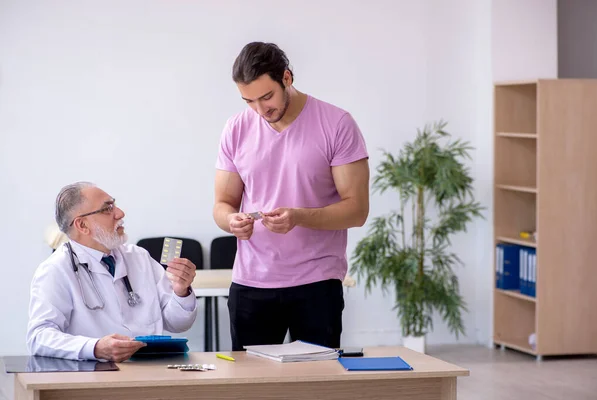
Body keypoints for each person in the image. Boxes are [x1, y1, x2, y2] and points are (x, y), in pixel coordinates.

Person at [213, 42, 370, 351]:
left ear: (287, 78)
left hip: (317, 282)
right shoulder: (236, 128)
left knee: (316, 387)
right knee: (250, 388)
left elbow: (357, 210)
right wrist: (231, 221)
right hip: (251, 282)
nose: (260, 110)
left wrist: (299, 217)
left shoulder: (336, 124)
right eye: (249, 101)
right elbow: (222, 205)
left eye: (267, 96)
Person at [27, 182, 198, 362]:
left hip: (150, 368)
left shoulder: (139, 257)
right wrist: (94, 348)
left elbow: (178, 323)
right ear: (82, 225)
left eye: (114, 204)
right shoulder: (56, 269)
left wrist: (181, 292)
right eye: (107, 209)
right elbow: (39, 337)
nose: (120, 213)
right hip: (93, 374)